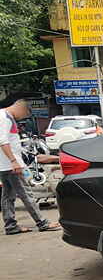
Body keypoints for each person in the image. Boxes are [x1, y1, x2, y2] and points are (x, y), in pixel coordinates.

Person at [0, 99, 60, 235]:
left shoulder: (4, 115)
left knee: (8, 196)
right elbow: (2, 141)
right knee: (27, 194)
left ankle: (10, 225)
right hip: (11, 165)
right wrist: (14, 161)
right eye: (25, 114)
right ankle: (42, 223)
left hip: (6, 165)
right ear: (21, 109)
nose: (23, 117)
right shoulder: (5, 118)